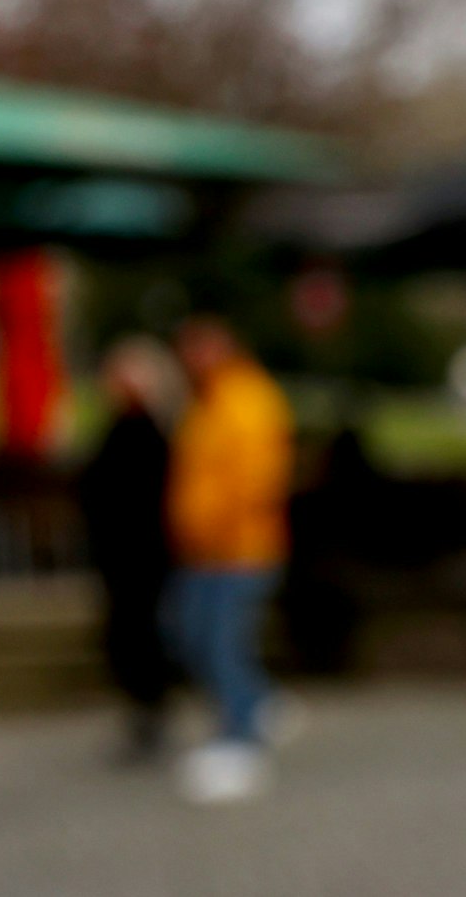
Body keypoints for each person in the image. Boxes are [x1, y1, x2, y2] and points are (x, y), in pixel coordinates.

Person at [164, 316, 294, 804]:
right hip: (204, 551)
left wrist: (217, 526)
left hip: (238, 550)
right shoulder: (208, 401)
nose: (192, 358)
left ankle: (241, 742)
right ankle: (256, 703)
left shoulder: (248, 399)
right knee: (191, 635)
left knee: (220, 642)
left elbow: (258, 477)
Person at [75, 337, 177, 761]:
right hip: (121, 555)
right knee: (128, 635)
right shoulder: (121, 429)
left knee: (142, 635)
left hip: (144, 555)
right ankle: (143, 713)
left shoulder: (149, 433)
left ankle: (150, 715)